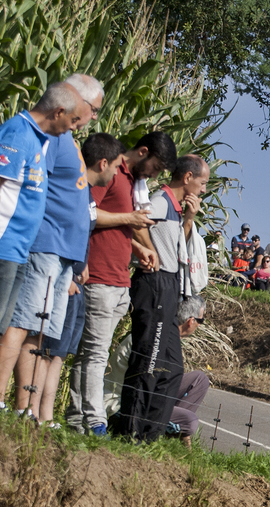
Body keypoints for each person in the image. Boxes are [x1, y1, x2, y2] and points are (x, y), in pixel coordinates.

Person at [0, 75, 102, 419]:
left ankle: (30, 409)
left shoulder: (59, 136)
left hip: (55, 250)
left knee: (39, 333)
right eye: (91, 109)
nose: (90, 118)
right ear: (70, 103)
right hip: (33, 244)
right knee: (17, 324)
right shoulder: (46, 135)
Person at [63, 131, 174, 435]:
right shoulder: (111, 171)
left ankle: (77, 421)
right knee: (96, 353)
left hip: (118, 278)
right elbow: (87, 213)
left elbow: (118, 228)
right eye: (156, 167)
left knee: (92, 354)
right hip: (98, 276)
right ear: (143, 151)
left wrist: (139, 249)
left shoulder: (132, 183)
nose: (154, 174)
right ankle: (96, 420)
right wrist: (129, 219)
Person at [24, 131, 122, 427]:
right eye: (116, 166)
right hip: (65, 276)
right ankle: (28, 407)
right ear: (103, 163)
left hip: (77, 280)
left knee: (59, 352)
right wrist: (69, 273)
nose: (117, 172)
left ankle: (45, 414)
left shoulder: (85, 195)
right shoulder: (78, 191)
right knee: (42, 344)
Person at [114, 153, 207, 442]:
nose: (204, 189)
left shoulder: (178, 210)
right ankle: (131, 431)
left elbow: (179, 245)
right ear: (187, 178)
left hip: (170, 289)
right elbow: (131, 225)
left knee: (173, 368)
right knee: (149, 361)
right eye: (203, 182)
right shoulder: (160, 201)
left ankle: (150, 435)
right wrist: (143, 252)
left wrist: (189, 218)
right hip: (153, 284)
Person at [102, 295, 209, 446]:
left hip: (145, 395)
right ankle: (161, 429)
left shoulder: (166, 333)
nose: (199, 325)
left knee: (200, 380)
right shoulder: (157, 338)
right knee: (189, 421)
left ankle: (164, 427)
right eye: (200, 321)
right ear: (190, 321)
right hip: (121, 405)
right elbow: (147, 383)